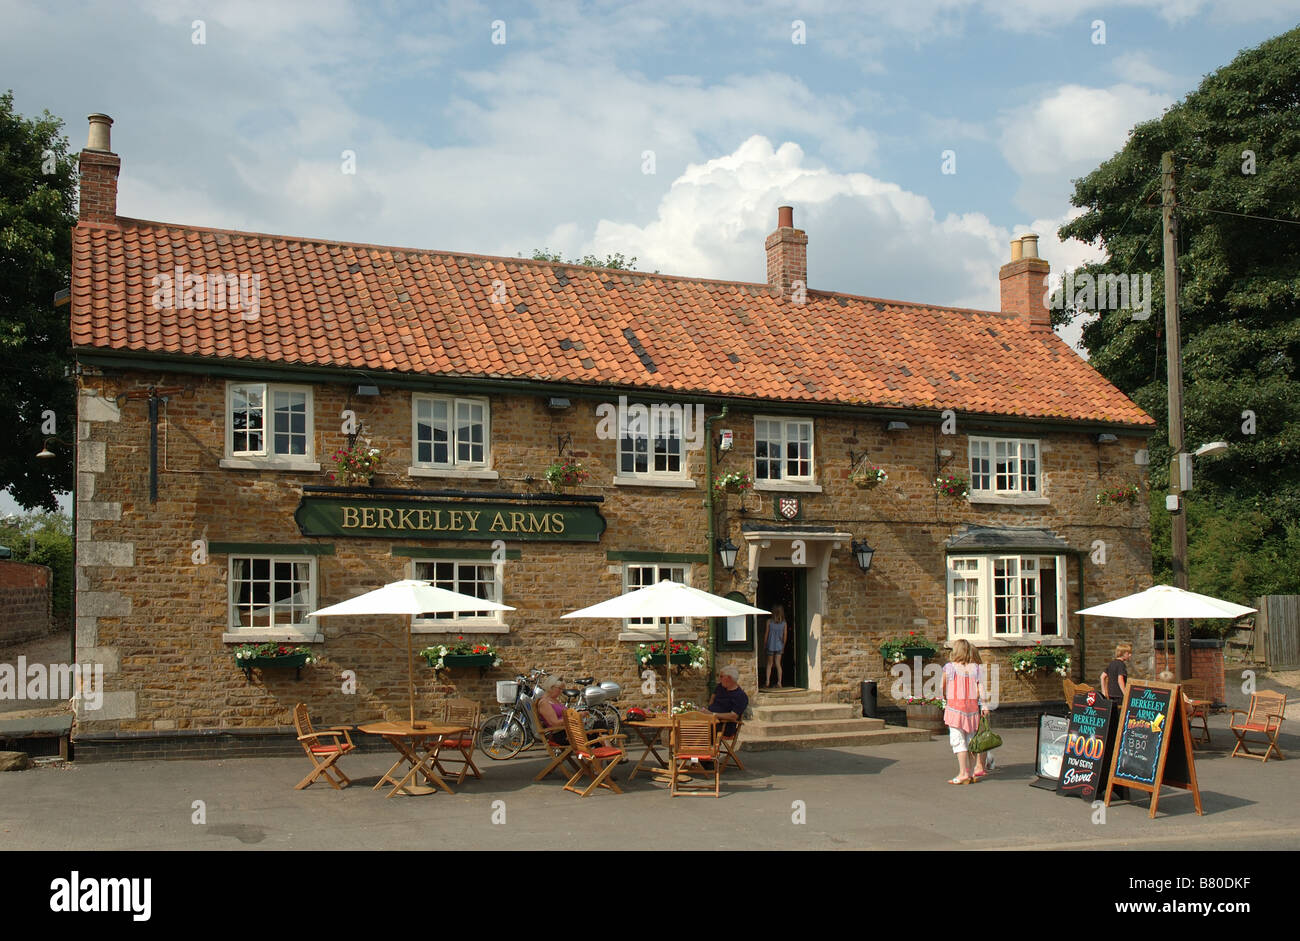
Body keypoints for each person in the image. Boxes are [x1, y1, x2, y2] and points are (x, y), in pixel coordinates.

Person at [943, 639, 989, 785]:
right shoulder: (976, 668)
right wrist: (985, 705)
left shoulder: (949, 667)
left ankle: (963, 773)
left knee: (958, 741)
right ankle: (970, 773)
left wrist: (945, 696)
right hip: (972, 709)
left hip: (955, 708)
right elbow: (981, 688)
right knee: (970, 741)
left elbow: (942, 687)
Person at [705, 664, 749, 737]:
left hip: (724, 725)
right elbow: (713, 697)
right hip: (711, 720)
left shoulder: (740, 696)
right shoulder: (720, 687)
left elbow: (733, 716)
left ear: (729, 678)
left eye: (721, 676)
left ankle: (694, 747)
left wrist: (713, 714)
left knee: (698, 728)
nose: (719, 679)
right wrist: (708, 709)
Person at [534, 675, 568, 744]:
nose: (561, 692)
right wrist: (574, 718)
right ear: (551, 687)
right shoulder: (544, 703)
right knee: (595, 732)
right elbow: (555, 723)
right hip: (561, 734)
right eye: (559, 689)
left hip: (568, 732)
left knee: (595, 727)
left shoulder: (554, 700)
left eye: (562, 689)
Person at [762, 604, 789, 688]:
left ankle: (767, 682)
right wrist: (783, 646)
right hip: (779, 645)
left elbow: (766, 634)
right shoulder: (784, 623)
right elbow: (785, 636)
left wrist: (764, 644)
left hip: (770, 645)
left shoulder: (769, 622)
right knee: (778, 664)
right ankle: (779, 682)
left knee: (769, 664)